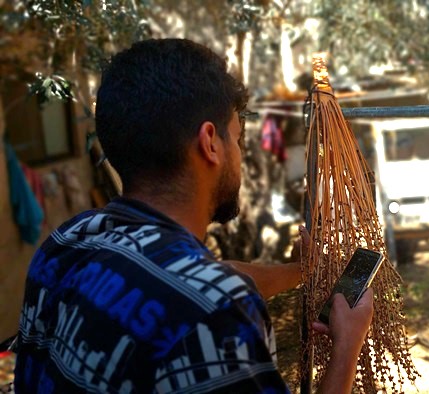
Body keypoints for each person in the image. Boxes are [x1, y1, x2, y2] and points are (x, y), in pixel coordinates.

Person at [13, 38, 374, 394]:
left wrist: (300, 272)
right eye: (237, 138)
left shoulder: (68, 242)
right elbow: (210, 292)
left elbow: (203, 280)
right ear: (210, 143)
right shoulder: (217, 312)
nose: (241, 154)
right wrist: (347, 346)